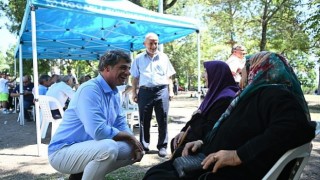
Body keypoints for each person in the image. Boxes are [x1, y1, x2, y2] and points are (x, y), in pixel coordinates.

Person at [143, 51, 316, 179]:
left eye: (243, 72)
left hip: (230, 171)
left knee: (156, 176)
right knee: (158, 172)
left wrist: (237, 155)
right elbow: (244, 130)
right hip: (212, 160)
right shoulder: (256, 95)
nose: (240, 76)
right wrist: (203, 141)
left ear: (258, 70)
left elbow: (296, 128)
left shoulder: (277, 95)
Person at [48, 50, 144, 180]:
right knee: (109, 148)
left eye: (128, 68)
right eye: (122, 68)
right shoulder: (90, 89)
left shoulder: (115, 93)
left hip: (89, 148)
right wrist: (129, 137)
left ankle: (80, 176)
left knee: (131, 149)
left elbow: (120, 123)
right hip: (62, 151)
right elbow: (98, 131)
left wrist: (133, 142)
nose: (128, 73)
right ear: (106, 68)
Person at [170, 61, 239, 157]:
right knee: (175, 141)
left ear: (216, 74)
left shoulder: (225, 98)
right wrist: (183, 130)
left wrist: (197, 116)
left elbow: (209, 127)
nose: (203, 76)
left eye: (206, 72)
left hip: (205, 144)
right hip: (198, 136)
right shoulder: (215, 93)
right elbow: (198, 115)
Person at [130, 32, 176, 157]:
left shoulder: (164, 57)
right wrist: (134, 92)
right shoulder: (138, 59)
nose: (153, 45)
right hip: (145, 92)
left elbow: (169, 76)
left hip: (162, 90)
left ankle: (162, 146)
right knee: (144, 120)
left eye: (156, 43)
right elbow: (134, 78)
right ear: (145, 44)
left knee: (163, 119)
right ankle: (144, 146)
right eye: (151, 43)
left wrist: (171, 91)